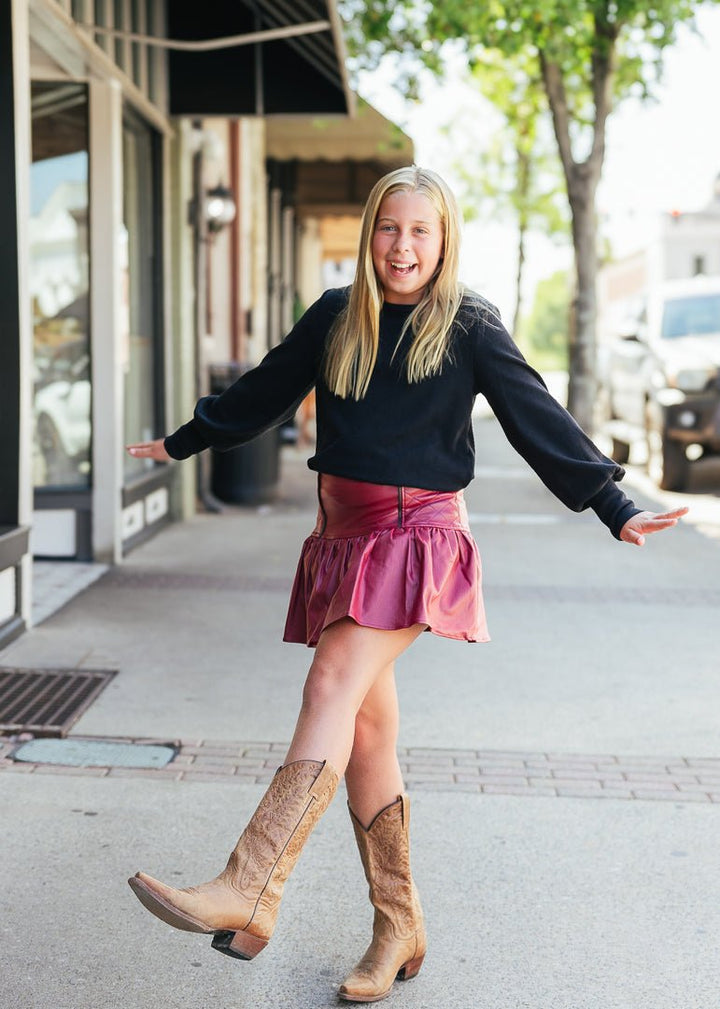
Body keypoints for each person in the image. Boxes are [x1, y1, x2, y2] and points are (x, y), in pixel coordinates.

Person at [125, 166, 687, 1003]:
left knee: (329, 682)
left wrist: (612, 501)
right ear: (370, 234)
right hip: (341, 540)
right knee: (370, 735)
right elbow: (264, 392)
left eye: (421, 231)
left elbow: (537, 418)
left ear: (444, 239)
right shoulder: (334, 317)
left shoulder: (467, 324)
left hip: (417, 535)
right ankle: (399, 925)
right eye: (390, 229)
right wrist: (183, 441)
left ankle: (251, 884)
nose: (403, 246)